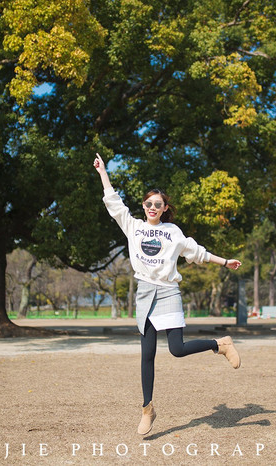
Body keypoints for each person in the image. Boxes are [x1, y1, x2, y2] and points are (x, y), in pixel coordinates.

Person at [93, 153, 242, 436]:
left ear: (164, 208)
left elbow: (197, 253)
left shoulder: (173, 232)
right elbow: (113, 202)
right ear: (144, 206)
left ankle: (219, 344)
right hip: (145, 294)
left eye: (157, 204)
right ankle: (147, 409)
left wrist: (225, 261)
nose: (152, 207)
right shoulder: (133, 226)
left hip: (168, 292)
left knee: (176, 349)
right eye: (148, 203)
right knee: (146, 354)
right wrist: (103, 172)